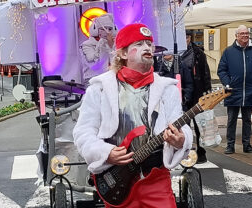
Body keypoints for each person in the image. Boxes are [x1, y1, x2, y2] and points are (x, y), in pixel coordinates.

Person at [73, 23, 193, 208]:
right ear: (122, 54)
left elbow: (179, 123)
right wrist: (106, 153)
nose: (147, 48)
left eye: (149, 44)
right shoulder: (99, 89)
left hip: (156, 179)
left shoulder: (167, 89)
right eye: (139, 44)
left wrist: (181, 139)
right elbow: (83, 132)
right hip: (119, 179)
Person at [217, 25, 252, 154]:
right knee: (231, 119)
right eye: (242, 34)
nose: (245, 35)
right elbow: (221, 70)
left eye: (246, 33)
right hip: (233, 91)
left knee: (247, 120)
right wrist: (228, 83)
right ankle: (230, 145)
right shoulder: (228, 52)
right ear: (236, 36)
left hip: (249, 91)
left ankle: (247, 144)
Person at [180, 30, 212, 163]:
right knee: (184, 124)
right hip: (182, 92)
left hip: (197, 91)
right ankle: (184, 152)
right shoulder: (176, 53)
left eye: (187, 37)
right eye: (184, 37)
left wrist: (207, 89)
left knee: (199, 124)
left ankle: (201, 151)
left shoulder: (197, 52)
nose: (186, 39)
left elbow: (205, 71)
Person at [80, 13, 117, 84]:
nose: (107, 31)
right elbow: (94, 65)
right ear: (96, 29)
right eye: (103, 29)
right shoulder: (87, 45)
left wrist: (111, 46)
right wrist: (102, 43)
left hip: (112, 81)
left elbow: (118, 64)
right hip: (94, 81)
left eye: (110, 29)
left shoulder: (114, 44)